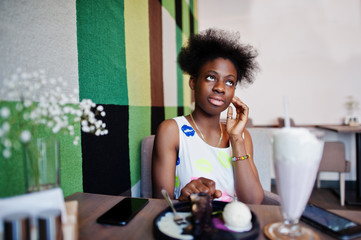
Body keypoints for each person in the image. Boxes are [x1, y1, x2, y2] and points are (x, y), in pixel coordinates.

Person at [152, 28, 264, 204]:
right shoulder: (172, 131)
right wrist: (183, 198)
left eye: (229, 82)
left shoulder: (242, 137)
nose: (220, 87)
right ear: (193, 82)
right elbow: (159, 203)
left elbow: (253, 201)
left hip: (233, 228)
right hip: (189, 225)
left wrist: (236, 139)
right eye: (211, 77)